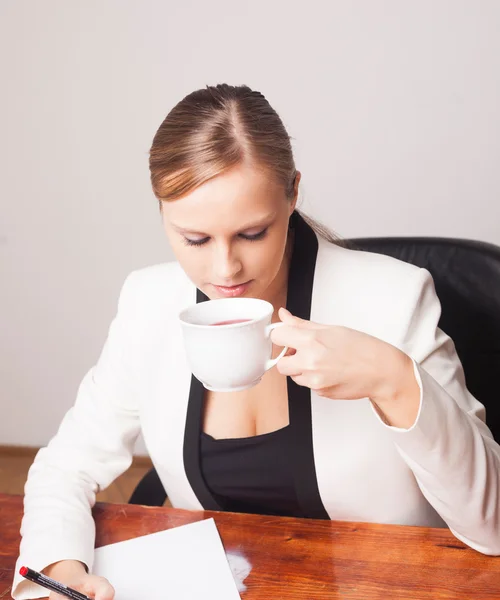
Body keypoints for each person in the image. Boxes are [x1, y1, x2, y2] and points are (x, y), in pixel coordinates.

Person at [13, 84, 500, 600]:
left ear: (291, 193)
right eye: (195, 239)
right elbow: (68, 463)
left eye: (252, 233)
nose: (224, 269)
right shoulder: (148, 301)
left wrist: (396, 380)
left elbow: (490, 524)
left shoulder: (393, 298)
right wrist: (58, 569)